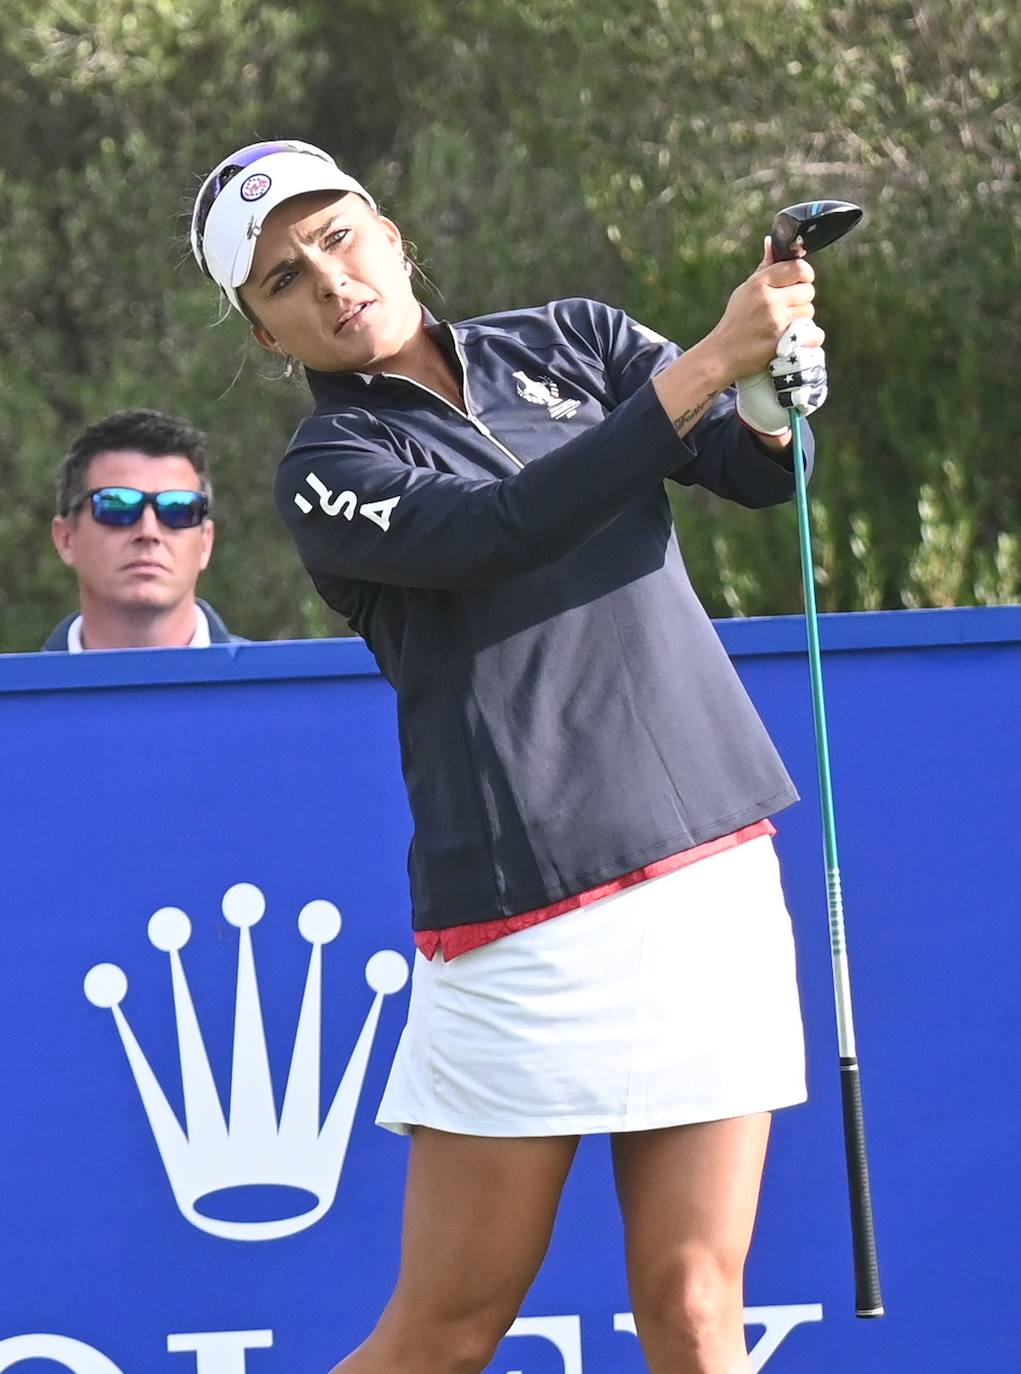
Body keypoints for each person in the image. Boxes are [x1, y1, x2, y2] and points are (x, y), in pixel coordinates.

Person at [191, 139, 828, 1374]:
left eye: (337, 234)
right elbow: (500, 529)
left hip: (706, 869)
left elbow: (756, 472)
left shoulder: (573, 339)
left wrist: (767, 387)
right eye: (281, 279)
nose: (326, 278)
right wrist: (710, 362)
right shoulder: (327, 473)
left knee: (698, 1304)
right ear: (268, 337)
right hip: (521, 925)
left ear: (390, 232)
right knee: (445, 1330)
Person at [45, 408, 239, 651]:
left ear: (205, 543)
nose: (149, 532)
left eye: (178, 509)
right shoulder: (15, 688)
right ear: (65, 538)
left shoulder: (280, 688)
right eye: (118, 505)